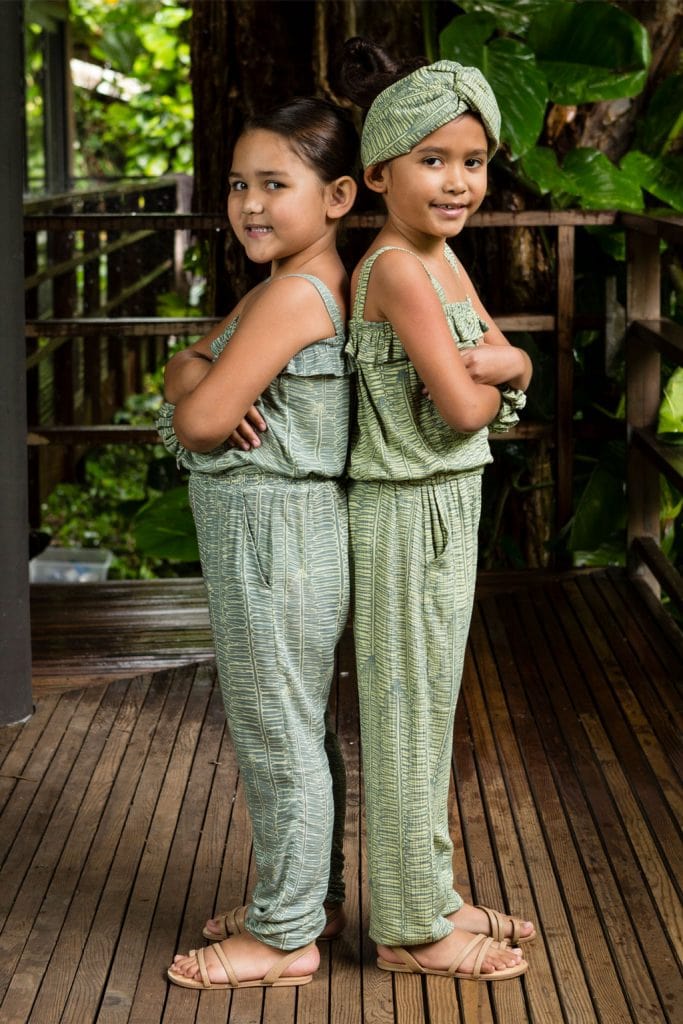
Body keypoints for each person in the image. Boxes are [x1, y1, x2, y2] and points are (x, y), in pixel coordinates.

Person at [337, 38, 535, 981]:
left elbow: (505, 363)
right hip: (403, 514)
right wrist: (505, 377)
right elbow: (465, 405)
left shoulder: (442, 256)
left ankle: (434, 892)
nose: (457, 183)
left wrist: (507, 369)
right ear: (377, 172)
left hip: (448, 502)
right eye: (432, 161)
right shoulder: (400, 270)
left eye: (472, 162)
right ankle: (408, 929)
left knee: (432, 714)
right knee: (406, 716)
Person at [157, 96, 358, 990]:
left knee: (278, 738)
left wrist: (200, 385)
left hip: (272, 544)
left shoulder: (288, 295)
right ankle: (301, 896)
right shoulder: (298, 282)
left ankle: (284, 939)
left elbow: (196, 417)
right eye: (239, 183)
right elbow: (184, 366)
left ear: (340, 195)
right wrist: (199, 374)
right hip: (289, 539)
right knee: (297, 731)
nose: (249, 204)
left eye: (276, 184)